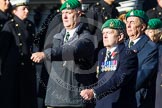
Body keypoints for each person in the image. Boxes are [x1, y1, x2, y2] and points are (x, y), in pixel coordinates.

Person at [31, 0, 97, 108]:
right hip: (54, 100)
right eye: (63, 13)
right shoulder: (57, 37)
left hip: (74, 101)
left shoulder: (86, 38)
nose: (65, 17)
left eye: (69, 13)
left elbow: (72, 50)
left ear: (79, 14)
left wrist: (46, 54)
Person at [80, 19, 138, 108]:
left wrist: (95, 91)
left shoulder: (127, 54)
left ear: (120, 36)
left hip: (119, 103)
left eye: (109, 33)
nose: (105, 36)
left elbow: (119, 79)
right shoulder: (102, 53)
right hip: (101, 103)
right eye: (103, 33)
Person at [0, 0, 37, 108]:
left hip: (28, 70)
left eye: (27, 8)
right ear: (14, 11)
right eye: (23, 9)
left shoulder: (30, 25)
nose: (27, 11)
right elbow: (3, 51)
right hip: (13, 72)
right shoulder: (9, 26)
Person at [125, 10, 158, 108]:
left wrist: (118, 88)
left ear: (143, 27)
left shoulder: (150, 48)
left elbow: (141, 76)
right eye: (127, 22)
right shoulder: (122, 45)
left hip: (137, 99)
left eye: (132, 22)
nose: (128, 25)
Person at [145, 18, 162, 108]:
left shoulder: (159, 48)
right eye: (146, 31)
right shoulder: (144, 47)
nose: (147, 34)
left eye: (150, 32)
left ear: (159, 34)